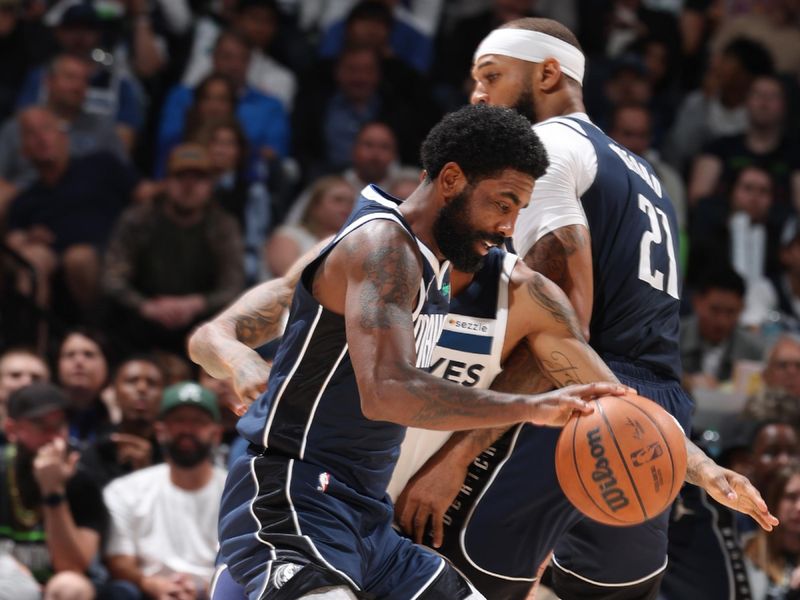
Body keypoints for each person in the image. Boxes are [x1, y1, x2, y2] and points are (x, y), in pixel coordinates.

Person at [397, 17, 770, 599]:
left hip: (576, 396)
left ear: (548, 74)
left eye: (491, 76)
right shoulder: (648, 176)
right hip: (654, 414)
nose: (478, 95)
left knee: (446, 577)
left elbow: (564, 324)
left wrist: (457, 456)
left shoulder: (548, 150)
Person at [190, 104, 624, 599]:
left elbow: (610, 395)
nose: (510, 226)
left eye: (520, 210)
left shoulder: (442, 262)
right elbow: (385, 392)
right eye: (504, 204)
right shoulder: (378, 247)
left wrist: (702, 469)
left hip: (367, 516)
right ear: (452, 179)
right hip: (293, 489)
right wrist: (241, 359)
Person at [102, 143, 245, 354]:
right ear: (166, 182)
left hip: (200, 322)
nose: (189, 185)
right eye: (181, 177)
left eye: (198, 178)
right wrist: (146, 306)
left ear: (210, 186)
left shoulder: (223, 225)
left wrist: (195, 304)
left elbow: (233, 286)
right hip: (142, 317)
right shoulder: (138, 219)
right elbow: (112, 278)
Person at [103, 381, 226, 600]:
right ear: (160, 431)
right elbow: (119, 558)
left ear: (216, 434)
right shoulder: (125, 490)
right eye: (178, 420)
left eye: (198, 421)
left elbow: (249, 560)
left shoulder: (240, 493)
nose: (187, 429)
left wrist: (204, 591)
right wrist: (151, 584)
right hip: (151, 592)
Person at [0, 383, 107, 599]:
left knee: (71, 586)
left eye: (60, 426)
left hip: (55, 588)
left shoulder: (82, 481)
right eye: (41, 426)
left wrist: (53, 493)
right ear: (12, 430)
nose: (55, 439)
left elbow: (72, 566)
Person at [78, 356, 165, 489]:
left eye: (152, 383)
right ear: (114, 392)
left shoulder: (173, 455)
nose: (142, 388)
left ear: (163, 394)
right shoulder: (95, 453)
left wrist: (146, 472)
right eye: (131, 381)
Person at [680, 267, 765, 392]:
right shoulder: (671, 338)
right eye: (715, 310)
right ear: (697, 302)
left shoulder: (754, 350)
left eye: (731, 312)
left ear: (742, 308)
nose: (722, 321)